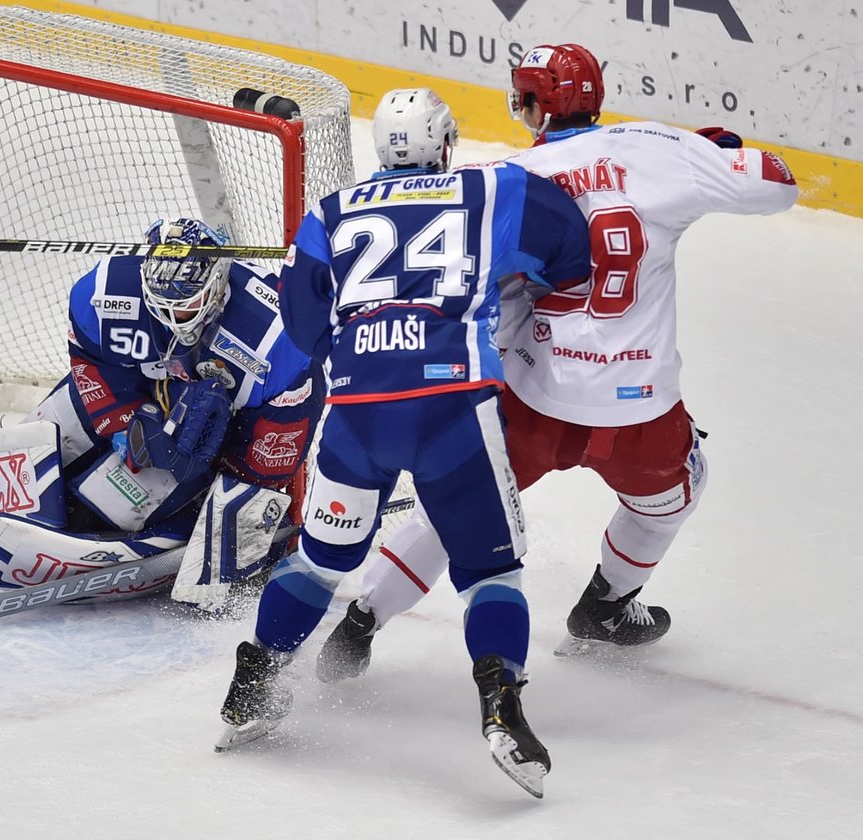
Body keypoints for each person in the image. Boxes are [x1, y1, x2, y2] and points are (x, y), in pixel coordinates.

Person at [317, 43, 800, 675]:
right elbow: (778, 184)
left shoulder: (507, 178)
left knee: (461, 505)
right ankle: (607, 603)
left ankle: (359, 626)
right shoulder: (660, 149)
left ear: (537, 105)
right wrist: (708, 155)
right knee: (676, 494)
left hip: (530, 397)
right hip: (639, 406)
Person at [215, 86, 594, 799]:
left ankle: (256, 679)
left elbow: (303, 328)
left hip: (357, 417)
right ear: (444, 142)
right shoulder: (493, 188)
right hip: (452, 411)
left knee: (320, 562)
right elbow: (571, 251)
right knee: (492, 575)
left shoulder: (328, 213)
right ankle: (501, 705)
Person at [0, 217, 324, 607]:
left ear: (215, 287)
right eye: (161, 306)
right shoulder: (105, 292)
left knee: (123, 496)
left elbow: (273, 455)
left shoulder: (277, 340)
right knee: (60, 421)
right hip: (146, 391)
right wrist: (124, 424)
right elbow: (89, 360)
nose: (172, 319)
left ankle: (104, 520)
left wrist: (213, 473)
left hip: (232, 422)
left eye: (184, 307)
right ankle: (25, 493)